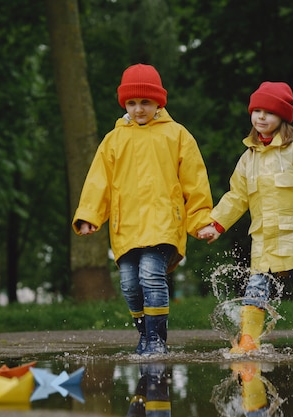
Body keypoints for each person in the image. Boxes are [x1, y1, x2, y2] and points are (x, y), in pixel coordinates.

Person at [72, 63, 213, 355]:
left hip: (164, 224)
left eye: (145, 102)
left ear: (159, 102)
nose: (138, 109)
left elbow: (195, 182)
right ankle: (144, 334)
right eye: (132, 103)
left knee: (150, 274)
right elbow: (99, 180)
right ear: (125, 103)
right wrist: (89, 214)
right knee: (129, 285)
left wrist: (200, 220)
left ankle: (157, 339)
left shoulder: (177, 135)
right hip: (126, 227)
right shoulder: (114, 140)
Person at [198, 81, 293, 355]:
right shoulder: (249, 157)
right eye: (256, 110)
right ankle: (249, 340)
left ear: (282, 116)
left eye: (268, 112)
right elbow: (237, 195)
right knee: (255, 291)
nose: (261, 117)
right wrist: (217, 224)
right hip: (264, 239)